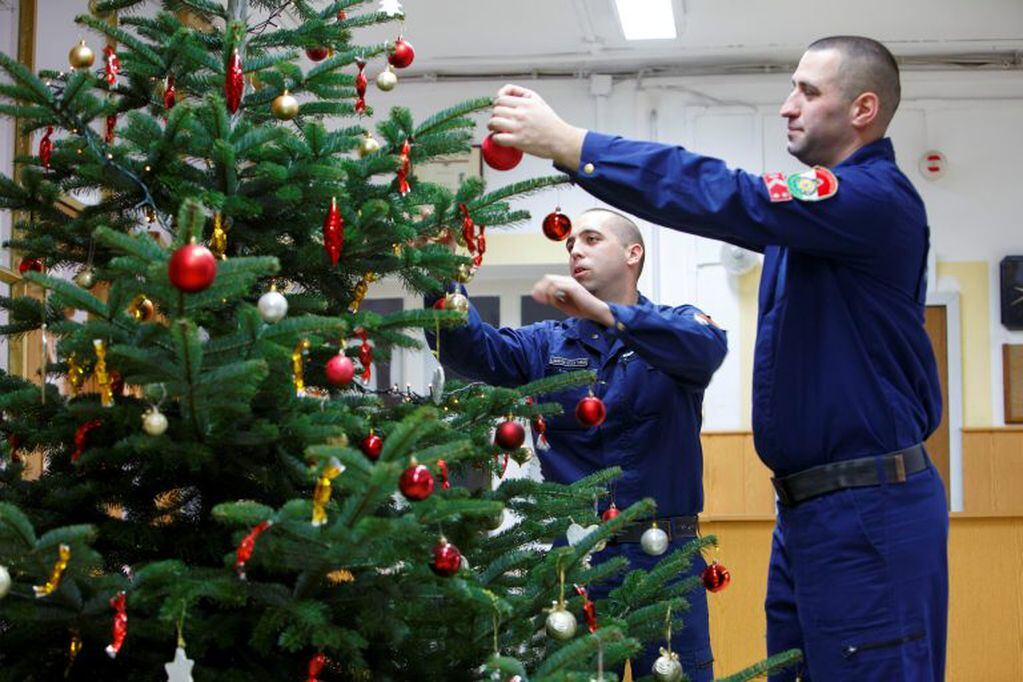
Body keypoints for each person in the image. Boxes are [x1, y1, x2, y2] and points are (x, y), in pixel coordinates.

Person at [486, 36, 947, 682]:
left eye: (808, 92)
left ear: (863, 109)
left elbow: (723, 194)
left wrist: (573, 145)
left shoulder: (869, 200)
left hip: (866, 511)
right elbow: (738, 199)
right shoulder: (812, 221)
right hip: (811, 512)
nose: (787, 106)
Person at [427, 207, 727, 680]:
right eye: (571, 245)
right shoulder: (546, 345)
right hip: (577, 560)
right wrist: (439, 269)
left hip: (667, 556)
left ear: (633, 254)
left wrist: (605, 314)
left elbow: (707, 348)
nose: (576, 250)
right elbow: (469, 350)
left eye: (591, 239)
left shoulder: (676, 328)